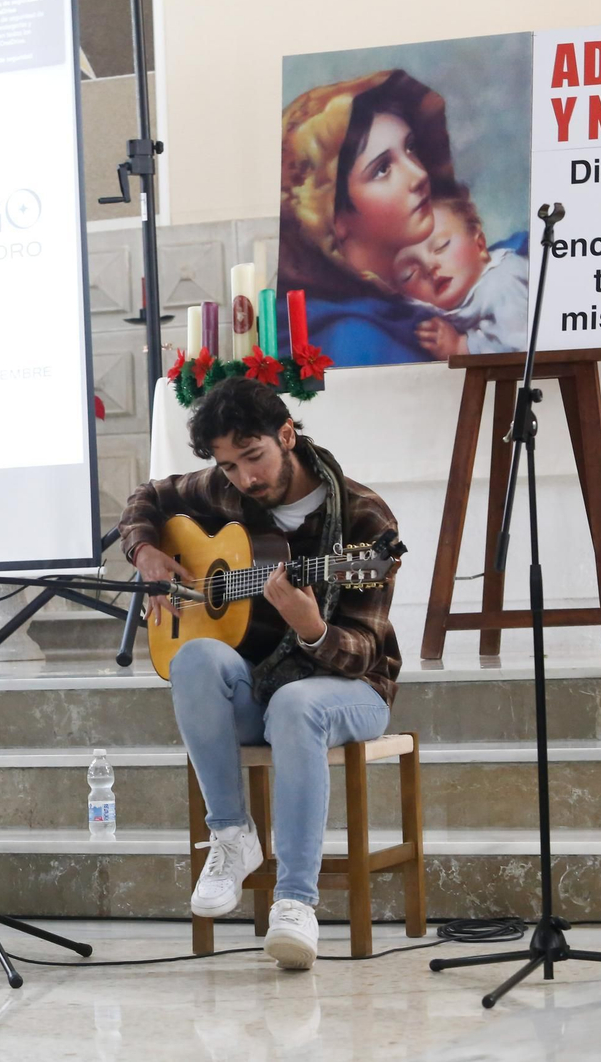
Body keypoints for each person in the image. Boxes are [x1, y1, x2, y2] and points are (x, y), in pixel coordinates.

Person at [118, 378, 401, 970]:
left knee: (300, 703)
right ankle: (232, 833)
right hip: (264, 691)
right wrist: (145, 549)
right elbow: (148, 497)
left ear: (287, 436)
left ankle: (296, 902)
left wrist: (311, 627)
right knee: (193, 657)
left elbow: (365, 653)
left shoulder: (363, 518)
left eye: (254, 457)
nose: (245, 477)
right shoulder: (225, 492)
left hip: (351, 690)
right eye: (229, 464)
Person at [278, 69, 465, 365]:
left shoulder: (416, 302)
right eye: (382, 169)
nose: (419, 175)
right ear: (331, 218)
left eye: (410, 148)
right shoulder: (354, 339)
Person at [394, 194, 530, 358]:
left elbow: (519, 345)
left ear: (479, 245)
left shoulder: (504, 281)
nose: (429, 266)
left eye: (441, 246)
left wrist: (460, 346)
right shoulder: (418, 308)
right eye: (409, 274)